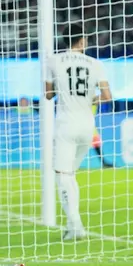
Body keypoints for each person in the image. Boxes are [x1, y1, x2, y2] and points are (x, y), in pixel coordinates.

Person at [45, 24, 112, 240]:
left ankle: (76, 225)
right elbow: (107, 96)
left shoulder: (53, 61)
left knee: (62, 176)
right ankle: (72, 226)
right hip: (86, 126)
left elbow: (48, 94)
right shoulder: (95, 63)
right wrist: (89, 99)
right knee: (70, 176)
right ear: (81, 41)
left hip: (65, 125)